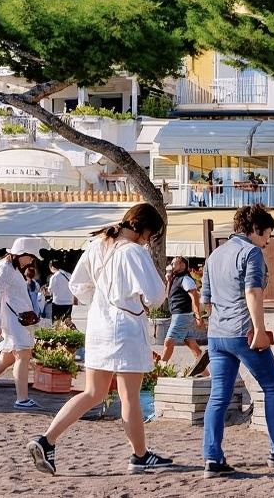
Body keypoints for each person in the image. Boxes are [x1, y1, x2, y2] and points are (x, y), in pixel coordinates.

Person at [27, 203, 172, 476]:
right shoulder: (135, 252)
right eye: (151, 234)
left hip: (98, 325)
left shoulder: (98, 245)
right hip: (125, 328)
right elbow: (156, 294)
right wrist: (137, 302)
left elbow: (77, 285)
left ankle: (47, 440)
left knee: (93, 392)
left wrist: (101, 302)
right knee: (130, 397)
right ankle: (140, 456)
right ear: (146, 230)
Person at [201, 204, 274, 478]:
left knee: (218, 396)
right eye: (267, 236)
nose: (267, 241)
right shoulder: (251, 253)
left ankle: (212, 458)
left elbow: (206, 301)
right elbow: (252, 291)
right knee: (273, 386)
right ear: (255, 230)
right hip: (243, 331)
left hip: (217, 334)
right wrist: (259, 328)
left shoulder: (215, 255)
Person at [0, 237, 48, 410]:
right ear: (21, 254)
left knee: (7, 358)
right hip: (12, 319)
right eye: (31, 256)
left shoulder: (11, 267)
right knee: (23, 354)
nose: (32, 260)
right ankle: (22, 399)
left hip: (15, 318)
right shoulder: (5, 268)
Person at [159, 256, 205, 365]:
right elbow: (167, 295)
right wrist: (169, 280)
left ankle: (160, 368)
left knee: (168, 341)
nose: (172, 265)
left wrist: (198, 316)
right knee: (190, 343)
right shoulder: (175, 279)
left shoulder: (186, 279)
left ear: (182, 265)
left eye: (175, 263)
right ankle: (204, 371)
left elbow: (194, 296)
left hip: (181, 315)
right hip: (180, 314)